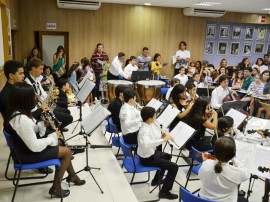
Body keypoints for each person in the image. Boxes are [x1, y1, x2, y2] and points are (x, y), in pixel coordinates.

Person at [4, 82, 85, 198]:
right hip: (26, 155)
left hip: (23, 149)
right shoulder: (21, 120)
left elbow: (31, 129)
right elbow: (34, 146)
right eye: (33, 96)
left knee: (61, 143)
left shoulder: (19, 112)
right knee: (66, 152)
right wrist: (52, 137)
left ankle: (72, 176)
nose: (35, 99)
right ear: (24, 100)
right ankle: (56, 188)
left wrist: (43, 124)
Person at [137, 107, 178, 200]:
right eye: (155, 115)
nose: (156, 117)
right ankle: (164, 192)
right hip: (147, 158)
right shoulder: (144, 130)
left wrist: (161, 135)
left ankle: (156, 180)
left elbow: (152, 137)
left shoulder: (148, 124)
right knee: (174, 167)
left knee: (167, 156)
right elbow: (147, 144)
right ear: (150, 118)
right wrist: (164, 139)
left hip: (150, 153)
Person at [25, 58, 73, 131]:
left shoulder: (36, 79)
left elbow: (42, 93)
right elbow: (34, 102)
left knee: (67, 111)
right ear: (33, 68)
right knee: (69, 118)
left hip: (44, 105)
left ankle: (56, 126)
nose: (42, 71)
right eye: (40, 69)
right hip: (39, 110)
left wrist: (50, 96)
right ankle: (54, 130)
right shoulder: (28, 83)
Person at [199, 136, 249, 202]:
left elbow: (201, 178)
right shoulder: (238, 173)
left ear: (214, 151)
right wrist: (234, 159)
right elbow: (246, 174)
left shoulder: (206, 163)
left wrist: (205, 161)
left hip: (202, 199)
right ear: (232, 155)